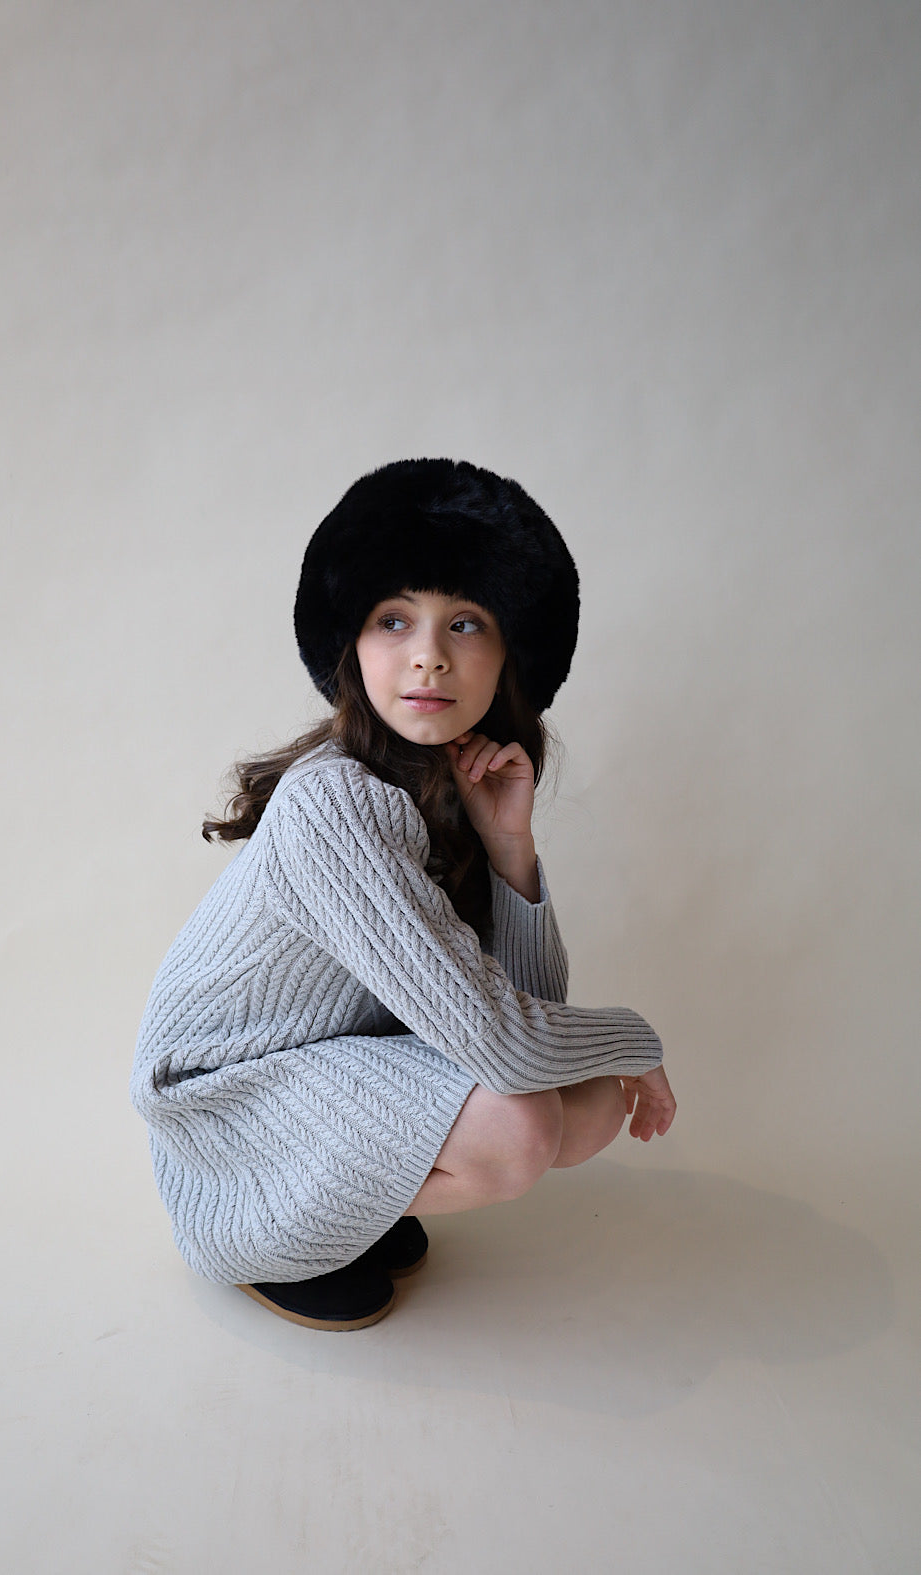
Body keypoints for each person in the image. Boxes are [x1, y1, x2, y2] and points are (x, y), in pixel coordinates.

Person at [130, 458, 676, 1331]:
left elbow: (526, 1009)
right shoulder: (334, 803)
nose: (429, 654)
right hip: (227, 1120)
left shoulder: (444, 789)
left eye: (465, 622)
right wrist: (635, 1036)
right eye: (394, 619)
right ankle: (275, 1240)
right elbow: (504, 1047)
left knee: (592, 1103)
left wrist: (509, 847)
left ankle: (349, 1201)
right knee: (521, 1127)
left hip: (324, 1071)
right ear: (350, 643)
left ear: (506, 654)